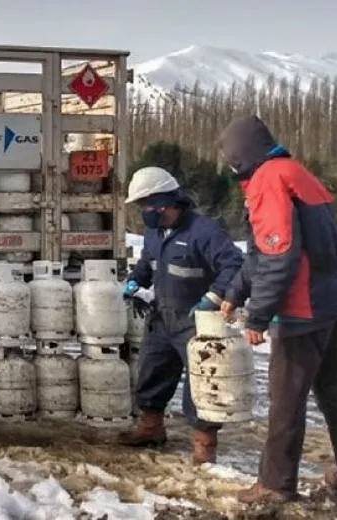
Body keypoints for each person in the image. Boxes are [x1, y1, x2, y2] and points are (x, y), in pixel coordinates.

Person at [218, 115, 337, 506]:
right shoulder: (297, 173)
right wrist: (234, 292)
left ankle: (275, 485)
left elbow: (278, 256)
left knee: (286, 400)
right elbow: (264, 253)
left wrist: (258, 316)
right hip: (333, 303)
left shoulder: (268, 181)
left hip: (302, 309)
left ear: (240, 156)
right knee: (333, 391)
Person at [118, 166, 245, 464]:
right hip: (162, 317)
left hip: (197, 321)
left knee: (201, 383)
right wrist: (136, 280)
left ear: (165, 201)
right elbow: (148, 263)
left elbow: (234, 265)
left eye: (145, 204)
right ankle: (151, 427)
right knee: (152, 372)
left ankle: (204, 446)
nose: (143, 211)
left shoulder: (204, 232)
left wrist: (213, 298)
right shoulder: (154, 232)